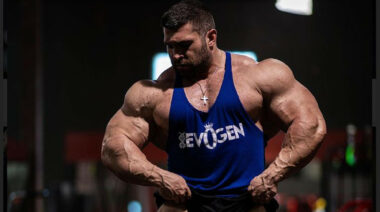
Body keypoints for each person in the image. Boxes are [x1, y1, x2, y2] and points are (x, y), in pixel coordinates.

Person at [101, 0, 326, 211]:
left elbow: (312, 125)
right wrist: (161, 177)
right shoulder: (153, 93)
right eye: (170, 46)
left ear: (211, 37)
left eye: (184, 45)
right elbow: (113, 147)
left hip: (248, 200)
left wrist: (273, 174)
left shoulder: (259, 75)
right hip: (184, 202)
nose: (176, 55)